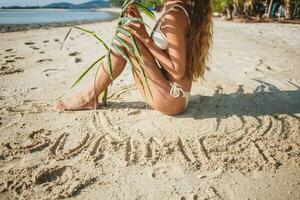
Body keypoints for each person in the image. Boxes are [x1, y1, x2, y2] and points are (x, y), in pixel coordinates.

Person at [57, 0, 213, 115]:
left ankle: (89, 96)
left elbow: (178, 72)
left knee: (124, 38)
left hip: (172, 97)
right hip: (174, 93)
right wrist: (140, 28)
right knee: (127, 36)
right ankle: (90, 95)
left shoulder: (175, 14)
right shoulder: (174, 8)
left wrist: (144, 37)